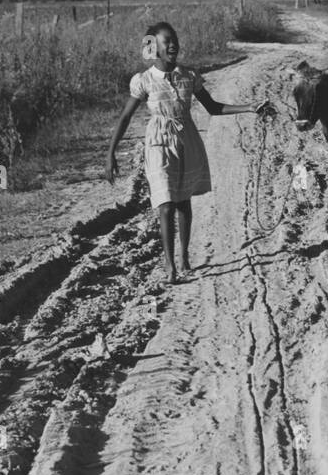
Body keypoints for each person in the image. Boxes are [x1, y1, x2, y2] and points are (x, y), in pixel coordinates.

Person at [107, 21, 270, 283]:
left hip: (187, 142)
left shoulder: (189, 76)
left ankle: (184, 257)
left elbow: (214, 108)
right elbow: (125, 117)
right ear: (153, 47)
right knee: (166, 203)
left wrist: (250, 107)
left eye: (175, 40)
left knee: (183, 202)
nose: (172, 45)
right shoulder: (144, 80)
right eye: (166, 41)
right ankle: (170, 265)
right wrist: (111, 153)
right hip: (159, 144)